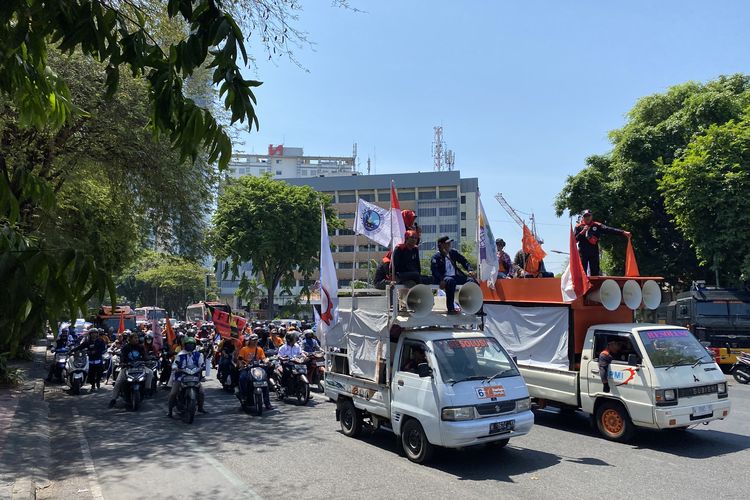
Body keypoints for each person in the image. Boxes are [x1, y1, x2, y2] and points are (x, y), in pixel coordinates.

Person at [575, 209, 631, 276]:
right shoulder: (578, 226)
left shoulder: (597, 225)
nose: (587, 217)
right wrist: (582, 232)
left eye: (589, 216)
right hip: (583, 252)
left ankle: (595, 286)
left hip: (594, 252)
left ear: (591, 216)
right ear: (583, 217)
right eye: (585, 216)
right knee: (582, 272)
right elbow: (575, 240)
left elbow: (609, 229)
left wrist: (623, 232)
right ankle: (582, 286)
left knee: (595, 272)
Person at [431, 236, 476, 315]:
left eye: (450, 243)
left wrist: (470, 270)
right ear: (441, 245)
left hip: (455, 276)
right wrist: (441, 279)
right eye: (447, 243)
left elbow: (464, 261)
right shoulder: (436, 257)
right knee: (450, 281)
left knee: (471, 280)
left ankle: (473, 305)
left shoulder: (453, 253)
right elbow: (435, 271)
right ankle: (451, 308)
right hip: (444, 278)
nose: (449, 245)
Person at [109, 332, 152, 408]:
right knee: (118, 382)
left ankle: (147, 390)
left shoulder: (140, 347)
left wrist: (148, 360)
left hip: (140, 367)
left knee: (150, 372)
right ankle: (113, 399)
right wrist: (122, 363)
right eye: (135, 338)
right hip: (127, 367)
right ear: (130, 339)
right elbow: (122, 356)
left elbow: (145, 356)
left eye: (137, 338)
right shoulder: (126, 347)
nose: (137, 339)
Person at [167, 337, 207, 417]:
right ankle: (170, 411)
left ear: (195, 345)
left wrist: (202, 367)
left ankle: (200, 408)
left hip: (194, 376)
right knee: (173, 393)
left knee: (202, 392)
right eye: (188, 344)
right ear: (185, 345)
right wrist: (175, 368)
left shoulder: (198, 354)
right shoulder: (180, 354)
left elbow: (201, 364)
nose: (190, 346)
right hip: (181, 376)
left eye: (192, 345)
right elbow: (175, 363)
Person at [237, 334, 272, 410]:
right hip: (247, 368)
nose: (255, 341)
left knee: (265, 382)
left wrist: (267, 362)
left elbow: (263, 358)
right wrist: (242, 365)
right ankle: (243, 396)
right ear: (250, 341)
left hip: (258, 368)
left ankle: (267, 403)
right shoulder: (244, 349)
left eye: (256, 340)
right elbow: (240, 359)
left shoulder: (259, 349)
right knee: (242, 378)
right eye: (253, 340)